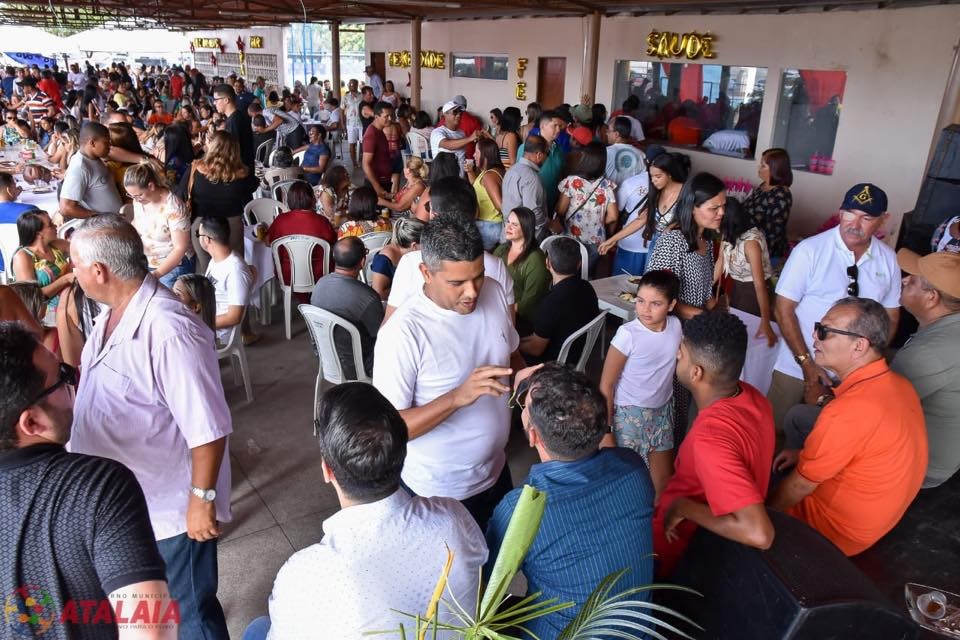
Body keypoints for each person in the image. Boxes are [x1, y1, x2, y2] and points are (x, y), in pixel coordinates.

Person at [67, 215, 232, 639]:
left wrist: (201, 499)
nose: (72, 273)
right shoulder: (110, 315)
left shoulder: (169, 329)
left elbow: (209, 427)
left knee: (190, 612)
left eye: (75, 265)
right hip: (130, 503)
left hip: (170, 510)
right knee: (155, 611)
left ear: (99, 271)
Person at [244, 382, 486, 640]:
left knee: (258, 629)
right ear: (402, 455)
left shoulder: (304, 576)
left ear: (327, 471)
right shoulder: (454, 518)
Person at [0, 321, 178, 640]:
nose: (73, 383)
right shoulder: (97, 488)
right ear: (32, 422)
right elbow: (151, 631)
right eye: (62, 378)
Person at [374, 214, 524, 529]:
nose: (472, 292)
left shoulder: (494, 292)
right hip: (439, 491)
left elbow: (511, 352)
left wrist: (527, 383)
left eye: (478, 276)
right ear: (426, 273)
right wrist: (457, 397)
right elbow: (390, 429)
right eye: (457, 283)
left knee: (499, 557)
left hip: (496, 473)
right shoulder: (403, 333)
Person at [487, 363, 655, 637]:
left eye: (523, 406)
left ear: (532, 436)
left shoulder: (521, 509)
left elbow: (487, 583)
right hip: (637, 632)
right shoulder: (633, 468)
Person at [770, 298, 927, 556]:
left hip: (832, 532)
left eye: (824, 331)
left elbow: (800, 486)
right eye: (818, 327)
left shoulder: (846, 413)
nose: (814, 335)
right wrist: (802, 455)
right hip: (872, 521)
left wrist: (764, 515)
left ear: (859, 346)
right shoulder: (899, 385)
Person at [768, 183, 901, 431]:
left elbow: (891, 316)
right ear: (840, 212)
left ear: (883, 220)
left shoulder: (888, 259)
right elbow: (783, 309)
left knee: (830, 435)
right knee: (775, 430)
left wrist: (865, 364)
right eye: (849, 213)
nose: (854, 224)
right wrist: (806, 362)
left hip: (852, 374)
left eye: (866, 218)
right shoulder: (810, 250)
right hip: (796, 365)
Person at [654, 310, 776, 578]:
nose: (677, 356)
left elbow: (759, 533)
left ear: (696, 373)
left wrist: (683, 507)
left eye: (681, 353)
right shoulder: (754, 397)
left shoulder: (710, 440)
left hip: (681, 547)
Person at [383, 177, 516, 322]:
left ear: (434, 215)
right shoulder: (497, 266)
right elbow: (509, 323)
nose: (472, 293)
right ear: (476, 213)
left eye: (479, 277)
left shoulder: (410, 263)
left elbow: (390, 321)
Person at [599, 270, 682, 496]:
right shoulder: (628, 334)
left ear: (671, 305)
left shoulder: (676, 327)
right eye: (640, 300)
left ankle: (657, 519)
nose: (645, 309)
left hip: (662, 413)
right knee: (625, 483)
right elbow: (606, 384)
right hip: (628, 416)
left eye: (656, 303)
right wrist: (606, 430)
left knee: (662, 484)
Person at [891, 249, 960, 487]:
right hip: (945, 452)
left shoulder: (929, 352)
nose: (904, 280)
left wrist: (823, 396)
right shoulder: (949, 328)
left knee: (801, 417)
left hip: (922, 465)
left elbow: (877, 408)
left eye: (913, 280)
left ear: (931, 298)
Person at [185, 130, 260, 272]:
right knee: (234, 269)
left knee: (206, 271)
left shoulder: (196, 168)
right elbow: (251, 189)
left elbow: (180, 192)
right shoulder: (242, 174)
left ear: (212, 146)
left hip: (202, 225)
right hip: (232, 225)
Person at [309, 237, 383, 378]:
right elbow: (382, 334)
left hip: (325, 359)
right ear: (362, 261)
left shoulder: (319, 285)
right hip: (360, 366)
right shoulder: (368, 297)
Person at [599, 150, 689, 266]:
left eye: (658, 176)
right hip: (656, 245)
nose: (653, 180)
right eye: (651, 176)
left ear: (670, 174)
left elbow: (695, 221)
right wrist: (612, 240)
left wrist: (673, 226)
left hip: (679, 249)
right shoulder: (657, 193)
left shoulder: (687, 193)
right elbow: (641, 220)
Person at [520, 236, 599, 363]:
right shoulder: (587, 287)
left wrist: (514, 346)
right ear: (579, 264)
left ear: (547, 263)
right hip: (578, 353)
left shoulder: (551, 302)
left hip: (555, 365)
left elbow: (535, 349)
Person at [717, 198, 777, 346]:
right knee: (738, 328)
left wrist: (765, 320)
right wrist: (705, 290)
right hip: (738, 287)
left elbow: (759, 285)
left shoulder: (751, 243)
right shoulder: (728, 233)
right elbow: (720, 262)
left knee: (750, 335)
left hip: (754, 293)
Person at [125, 160, 193, 289]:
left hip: (174, 265)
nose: (135, 199)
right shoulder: (139, 201)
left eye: (138, 195)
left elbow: (180, 248)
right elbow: (138, 222)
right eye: (131, 195)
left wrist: (157, 274)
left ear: (151, 186)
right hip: (148, 260)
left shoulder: (173, 208)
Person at [556, 141, 619, 274]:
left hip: (572, 237)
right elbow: (613, 216)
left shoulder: (571, 182)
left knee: (570, 274)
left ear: (584, 158)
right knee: (588, 274)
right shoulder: (606, 185)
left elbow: (561, 210)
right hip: (596, 240)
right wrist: (598, 221)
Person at [493, 207, 550, 334]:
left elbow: (529, 304)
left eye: (514, 224)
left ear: (526, 228)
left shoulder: (535, 260)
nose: (508, 227)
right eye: (508, 222)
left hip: (522, 319)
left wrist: (498, 310)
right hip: (499, 310)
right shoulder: (501, 250)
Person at [267, 182, 336, 286]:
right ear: (312, 199)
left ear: (289, 200)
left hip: (288, 275)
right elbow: (333, 241)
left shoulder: (280, 220)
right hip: (319, 275)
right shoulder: (322, 221)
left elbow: (268, 242)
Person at [12, 210, 74, 321]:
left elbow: (83, 251)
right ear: (38, 234)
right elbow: (31, 299)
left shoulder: (56, 245)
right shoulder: (23, 257)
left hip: (71, 299)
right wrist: (65, 279)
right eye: (50, 224)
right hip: (46, 314)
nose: (55, 225)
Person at [199, 216, 253, 343]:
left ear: (207, 239)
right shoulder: (217, 260)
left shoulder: (235, 269)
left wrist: (199, 323)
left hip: (219, 335)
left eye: (198, 234)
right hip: (208, 323)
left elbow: (234, 317)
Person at [60, 122, 124, 220]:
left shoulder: (95, 158)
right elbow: (66, 208)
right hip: (105, 224)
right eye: (106, 142)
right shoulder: (80, 167)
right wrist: (101, 218)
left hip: (116, 220)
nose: (110, 146)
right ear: (92, 143)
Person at [742, 148, 793, 259]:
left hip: (763, 253)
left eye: (763, 166)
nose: (759, 168)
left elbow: (772, 234)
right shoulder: (764, 186)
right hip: (749, 245)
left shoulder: (781, 195)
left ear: (775, 170)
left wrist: (753, 255)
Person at [516, 110, 566, 216]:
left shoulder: (559, 150)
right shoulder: (526, 147)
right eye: (555, 126)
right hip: (531, 203)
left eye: (559, 126)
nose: (558, 130)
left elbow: (560, 176)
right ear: (543, 126)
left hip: (551, 203)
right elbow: (519, 174)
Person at [500, 134, 548, 238]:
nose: (546, 158)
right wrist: (547, 223)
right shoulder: (532, 178)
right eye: (546, 154)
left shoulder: (512, 170)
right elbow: (532, 211)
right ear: (539, 155)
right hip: (524, 236)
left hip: (508, 230)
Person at [370, 216, 424, 301]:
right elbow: (378, 294)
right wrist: (407, 288)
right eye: (425, 243)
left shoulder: (410, 254)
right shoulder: (383, 260)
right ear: (414, 245)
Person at [467, 138, 506, 250]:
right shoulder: (493, 171)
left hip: (489, 226)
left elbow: (500, 206)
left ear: (485, 155)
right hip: (491, 225)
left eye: (476, 152)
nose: (474, 155)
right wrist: (470, 171)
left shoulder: (489, 176)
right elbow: (479, 187)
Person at [212, 83, 255, 174]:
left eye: (216, 100)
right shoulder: (238, 115)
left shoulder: (234, 122)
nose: (214, 103)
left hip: (241, 172)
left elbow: (232, 153)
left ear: (226, 100)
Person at [431, 100, 484, 172]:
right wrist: (470, 138)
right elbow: (448, 145)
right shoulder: (437, 132)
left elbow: (462, 154)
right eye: (455, 112)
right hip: (443, 176)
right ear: (445, 114)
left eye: (460, 112)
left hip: (460, 176)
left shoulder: (461, 133)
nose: (459, 115)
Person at [361, 101, 395, 197]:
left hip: (384, 181)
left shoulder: (379, 131)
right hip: (376, 184)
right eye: (386, 116)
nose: (390, 119)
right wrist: (377, 187)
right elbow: (365, 164)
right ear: (376, 117)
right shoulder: (371, 135)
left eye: (391, 116)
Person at [605, 116, 644, 187]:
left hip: (611, 193)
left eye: (608, 131)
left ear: (616, 134)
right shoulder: (641, 155)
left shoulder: (605, 153)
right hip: (631, 193)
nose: (606, 133)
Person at [342, 79, 363, 168]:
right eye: (350, 84)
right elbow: (342, 110)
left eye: (353, 84)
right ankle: (354, 163)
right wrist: (342, 123)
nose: (351, 86)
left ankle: (363, 160)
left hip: (361, 122)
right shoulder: (345, 97)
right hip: (350, 123)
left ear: (357, 85)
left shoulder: (362, 96)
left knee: (363, 143)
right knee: (352, 143)